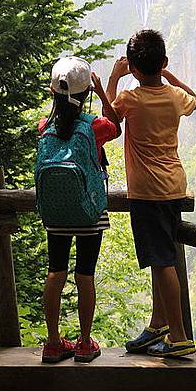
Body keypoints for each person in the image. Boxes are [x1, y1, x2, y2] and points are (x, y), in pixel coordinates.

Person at [105, 30, 196, 358]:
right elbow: (195, 100)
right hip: (173, 186)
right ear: (163, 62)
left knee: (161, 262)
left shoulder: (131, 99)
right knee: (164, 256)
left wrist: (113, 78)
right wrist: (170, 76)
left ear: (131, 66)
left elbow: (109, 123)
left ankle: (179, 336)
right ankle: (158, 323)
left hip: (147, 194)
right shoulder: (174, 96)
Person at [37, 56, 120, 364]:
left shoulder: (44, 126)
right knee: (85, 274)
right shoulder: (95, 126)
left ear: (53, 93)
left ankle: (54, 343)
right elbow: (116, 127)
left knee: (55, 271)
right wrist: (102, 93)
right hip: (89, 212)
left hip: (56, 213)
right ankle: (85, 343)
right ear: (86, 92)